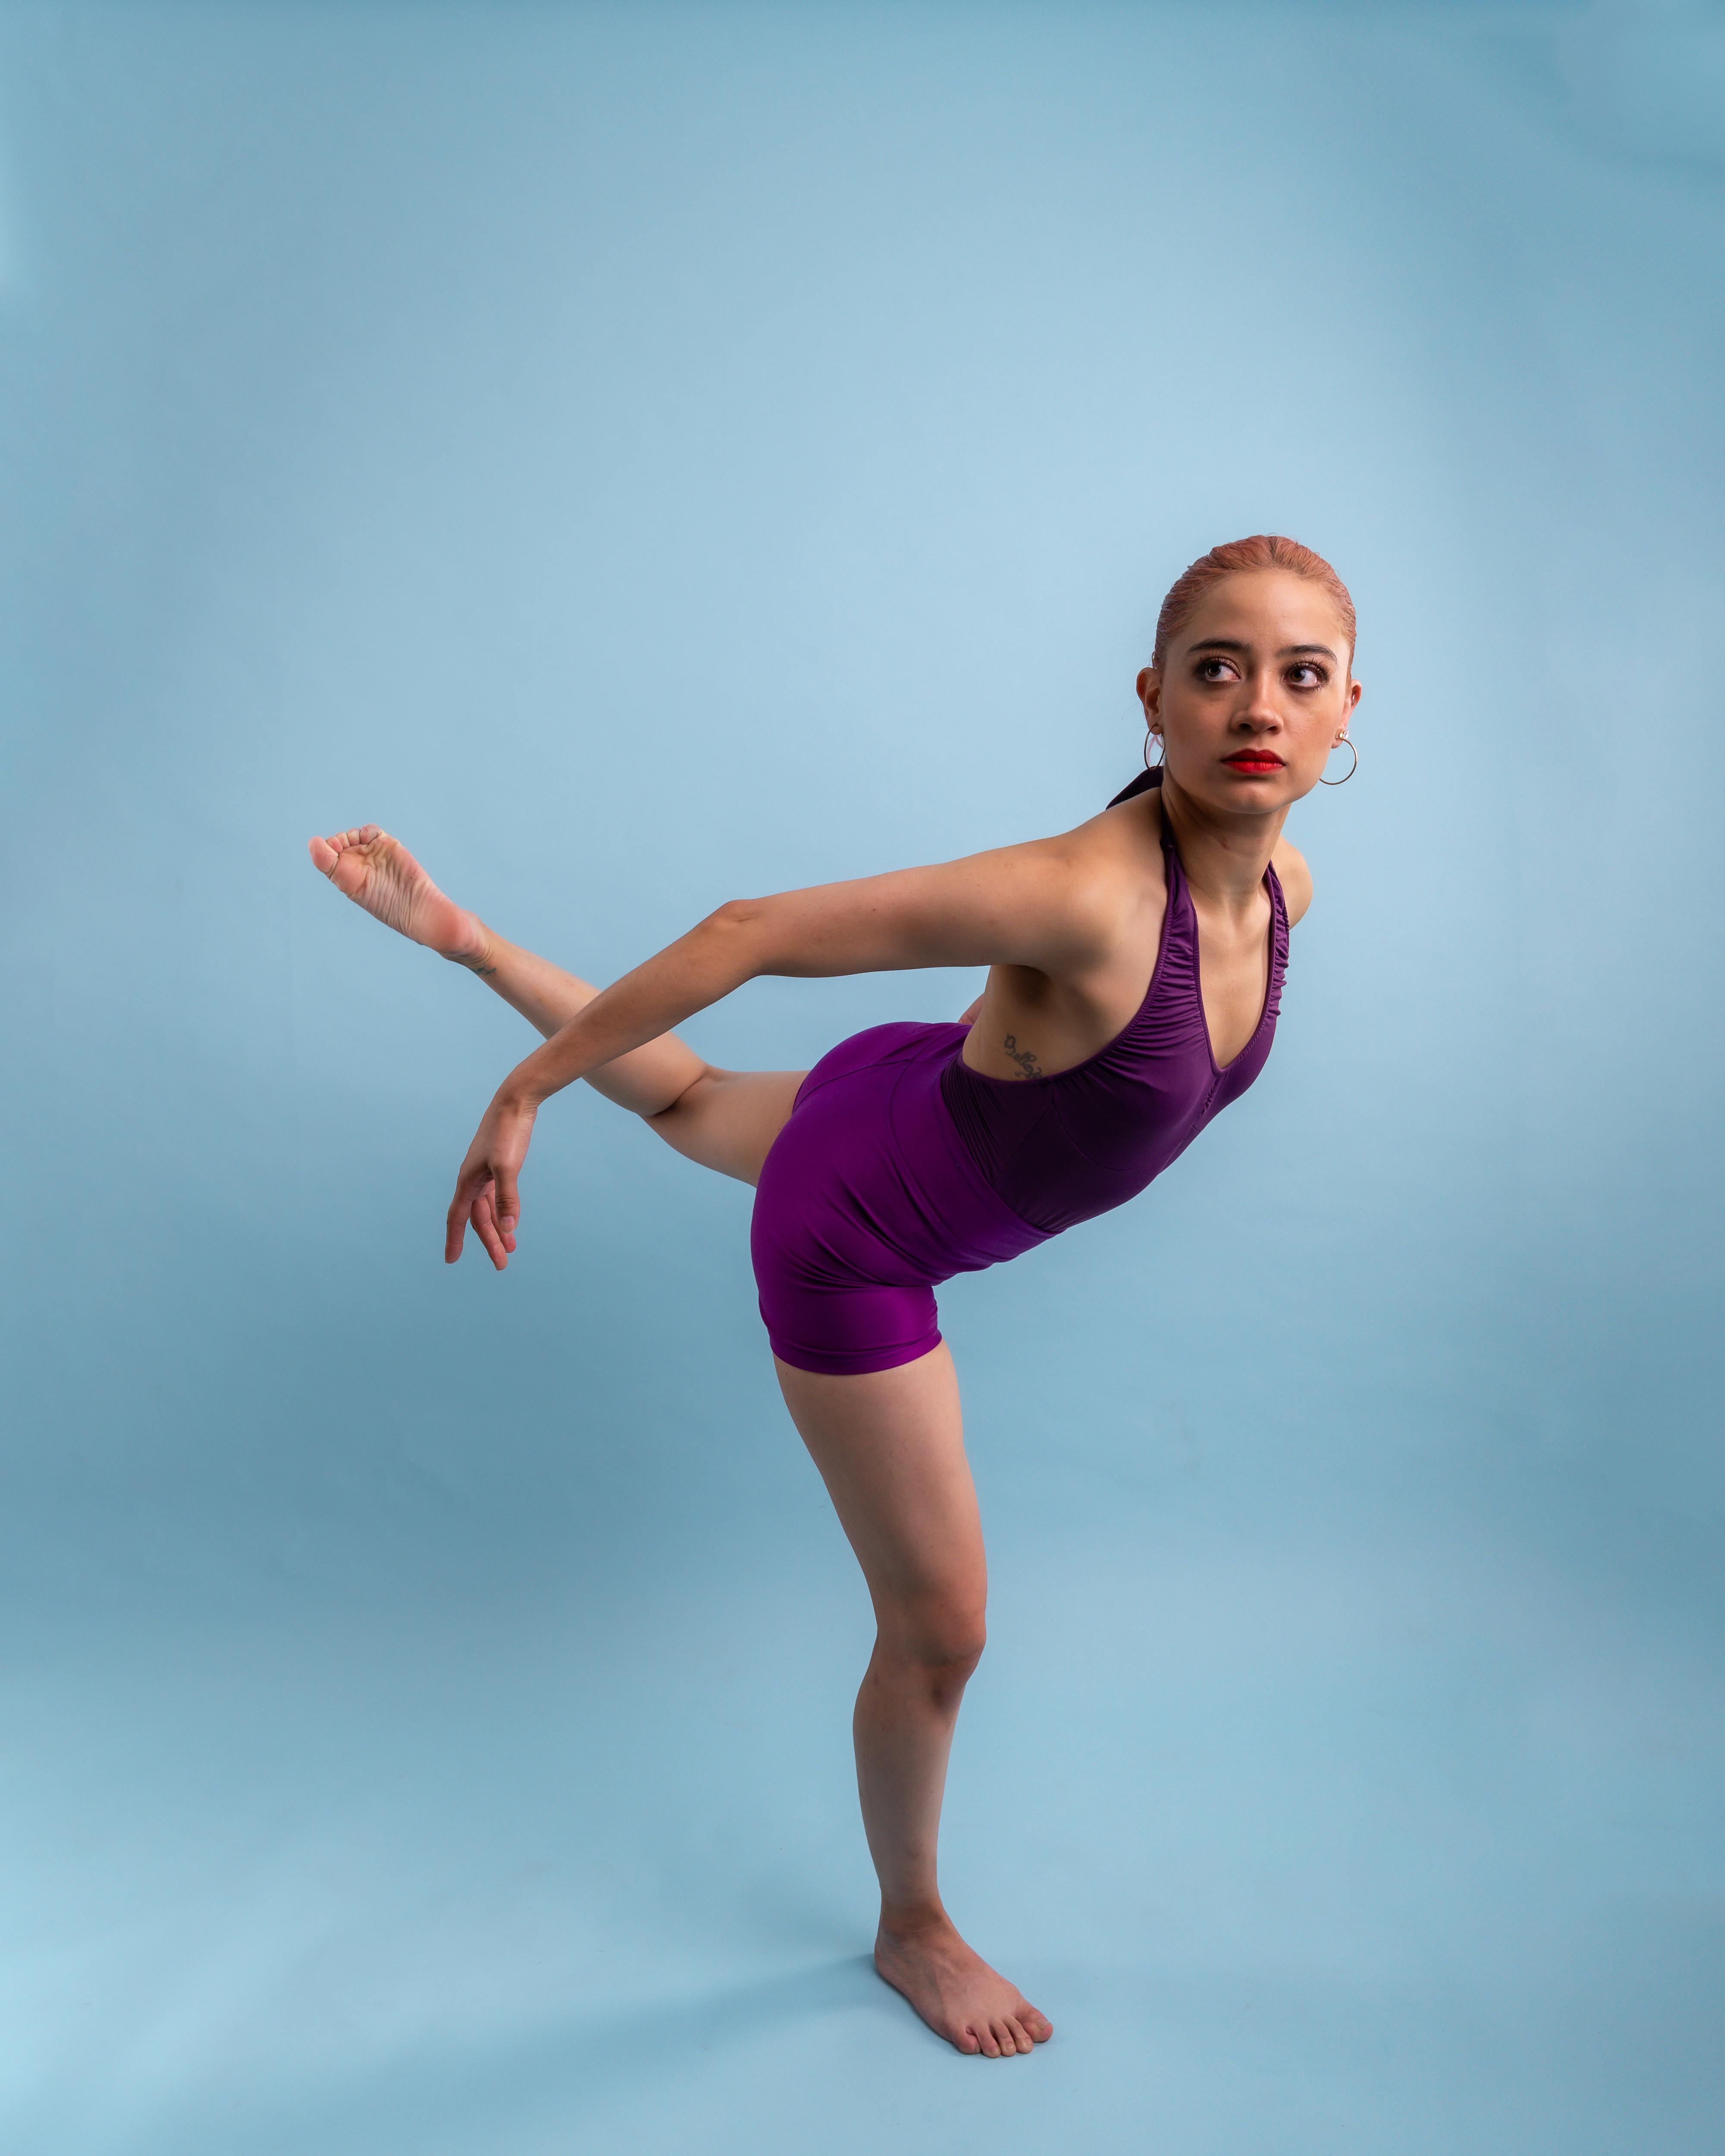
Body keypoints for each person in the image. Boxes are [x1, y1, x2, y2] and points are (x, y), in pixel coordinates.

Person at [308, 533, 1361, 2059]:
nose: (1256, 704)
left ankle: (464, 940)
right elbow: (749, 933)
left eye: (1298, 675)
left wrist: (474, 960)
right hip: (860, 1233)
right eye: (1216, 669)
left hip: (910, 1097)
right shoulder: (1080, 897)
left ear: (1345, 716)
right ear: (1154, 698)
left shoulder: (1289, 887)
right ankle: (912, 1928)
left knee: (684, 1105)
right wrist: (526, 1089)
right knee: (940, 1633)